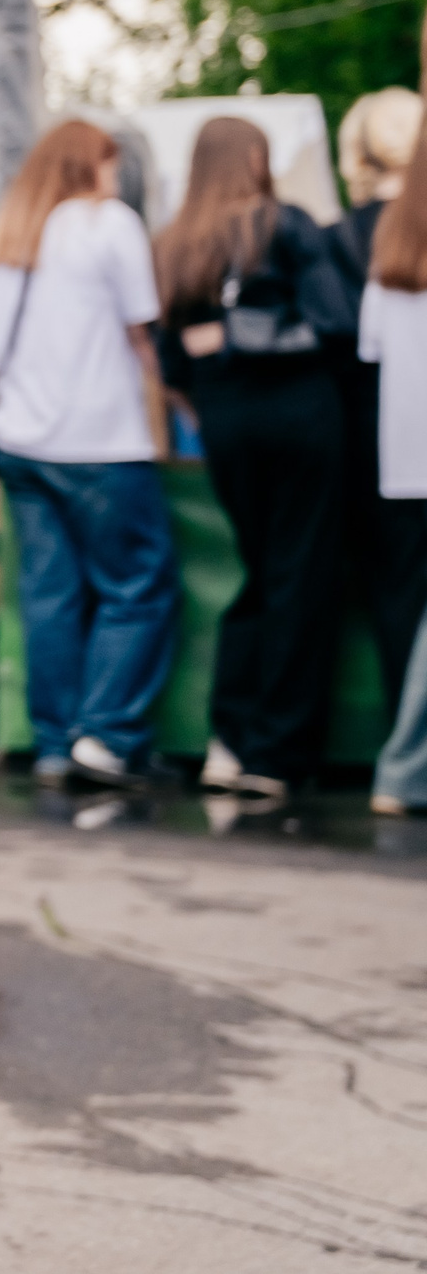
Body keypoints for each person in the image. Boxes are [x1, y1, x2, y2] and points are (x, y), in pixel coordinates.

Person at [0, 120, 178, 790]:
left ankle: (53, 740)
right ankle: (105, 733)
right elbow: (142, 330)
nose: (115, 178)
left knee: (49, 593)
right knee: (138, 586)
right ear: (91, 166)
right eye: (110, 165)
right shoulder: (109, 226)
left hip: (22, 442)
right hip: (103, 439)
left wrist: (12, 394)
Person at [154, 117, 356, 799]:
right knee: (299, 575)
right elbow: (337, 323)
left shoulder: (177, 242)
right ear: (256, 157)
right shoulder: (287, 224)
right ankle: (275, 751)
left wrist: (213, 396)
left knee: (259, 571)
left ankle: (228, 739)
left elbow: (172, 360)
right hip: (301, 415)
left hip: (225, 421)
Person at [330, 88, 427, 745]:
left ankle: (404, 746)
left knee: (399, 597)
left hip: (388, 447)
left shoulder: (350, 240)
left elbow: (359, 350)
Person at [361, 128, 427, 815]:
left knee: (409, 613)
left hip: (406, 450)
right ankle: (405, 766)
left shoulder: (393, 236)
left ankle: (404, 767)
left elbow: (371, 345)